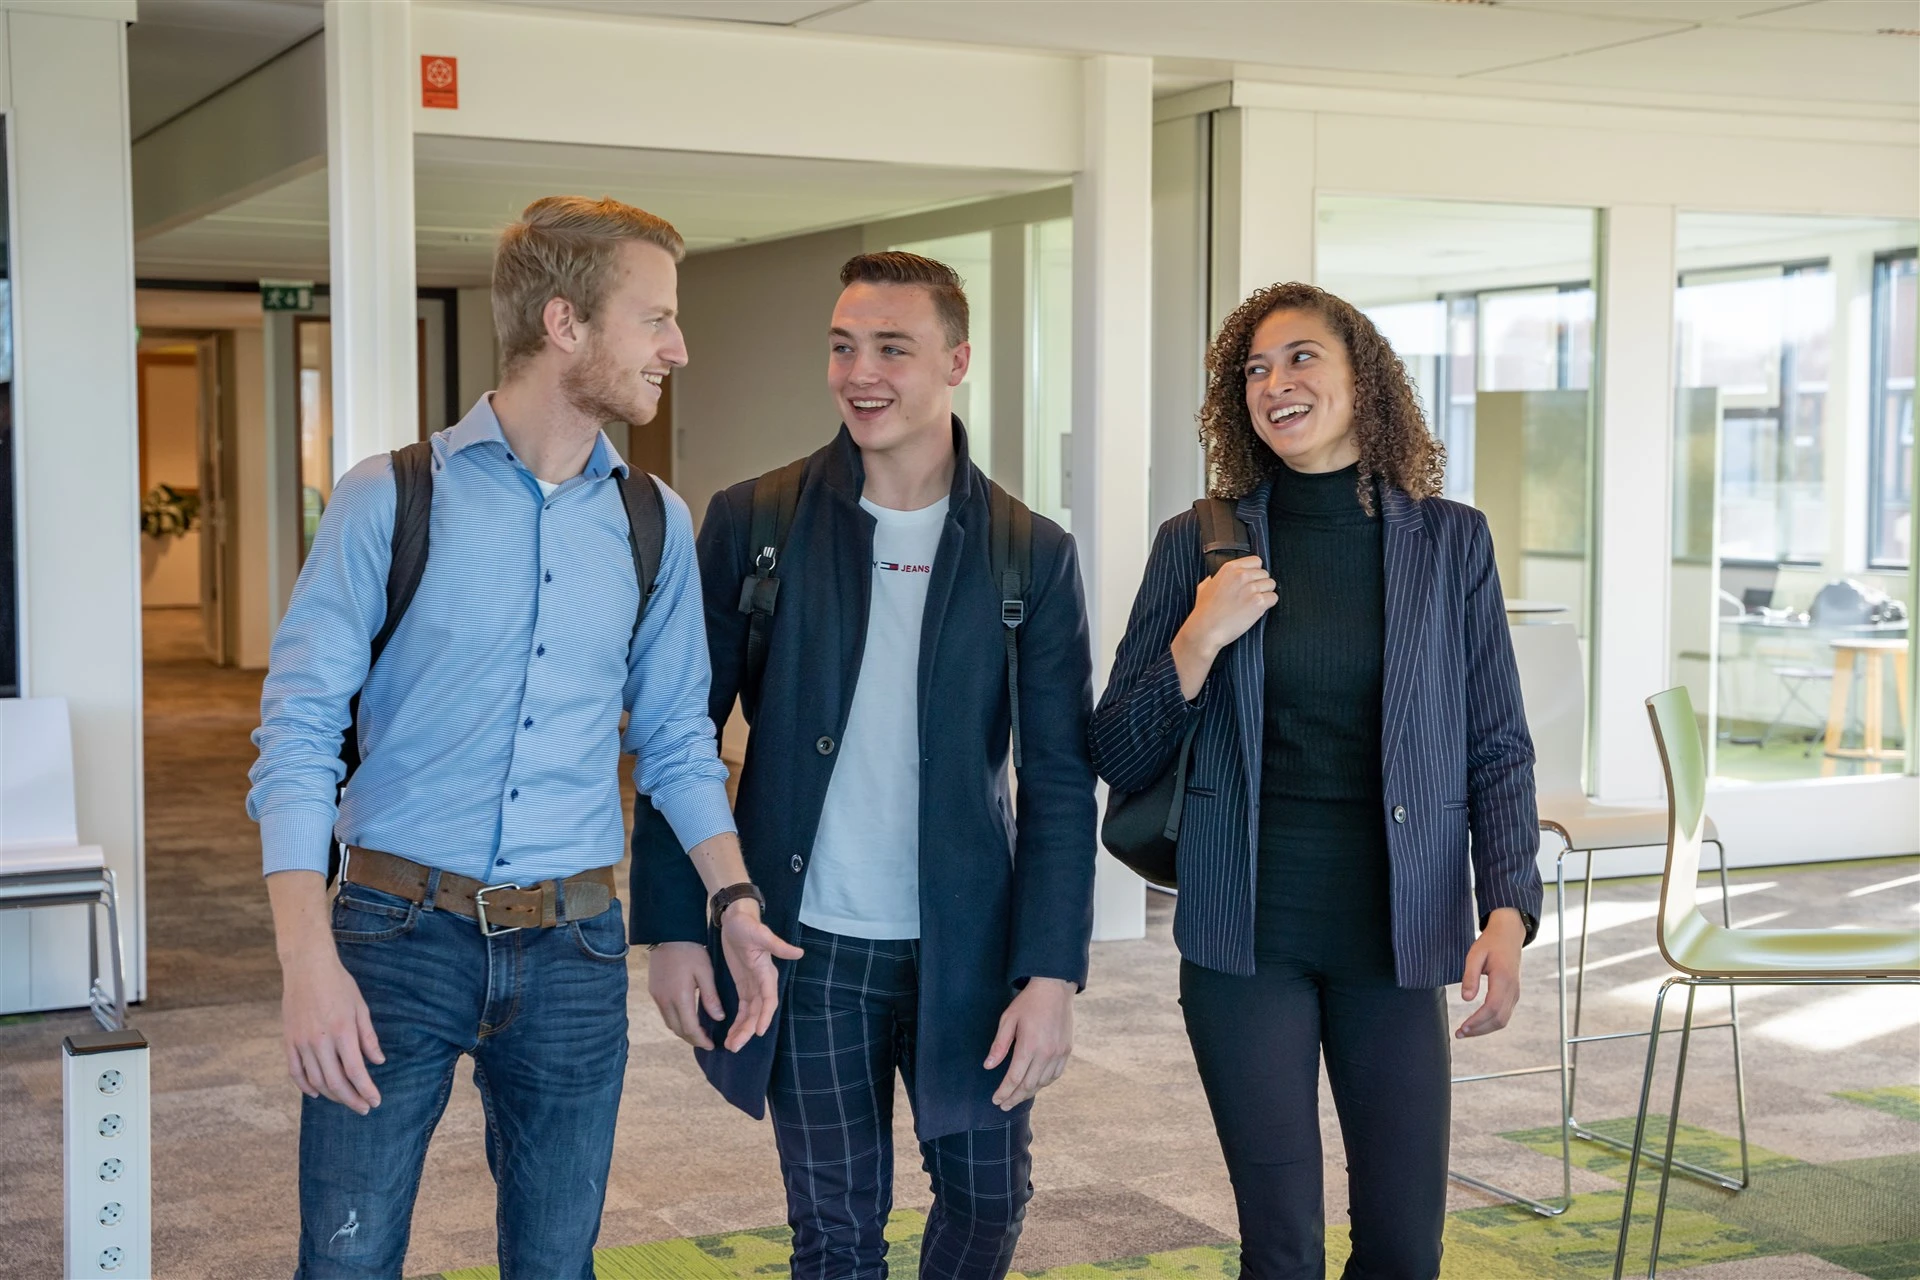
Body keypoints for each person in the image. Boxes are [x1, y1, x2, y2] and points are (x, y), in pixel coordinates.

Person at [248, 196, 799, 1280]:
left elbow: (681, 737)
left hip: (575, 945)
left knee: (557, 1263)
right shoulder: (388, 500)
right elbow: (299, 736)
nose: (677, 348)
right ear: (564, 324)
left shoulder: (653, 524)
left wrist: (731, 898)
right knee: (347, 1261)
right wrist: (304, 954)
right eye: (656, 320)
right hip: (392, 937)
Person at [632, 251, 1098, 1280]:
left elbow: (1060, 783)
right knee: (835, 1233)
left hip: (967, 948)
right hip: (810, 948)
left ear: (957, 360)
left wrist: (1053, 970)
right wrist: (674, 922)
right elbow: (680, 735)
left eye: (893, 346)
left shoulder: (1032, 551)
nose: (860, 372)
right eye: (843, 347)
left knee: (989, 1200)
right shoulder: (756, 522)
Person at [1090, 282, 1541, 1279]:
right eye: (1254, 368)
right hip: (1246, 936)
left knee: (1402, 1244)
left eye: (1301, 359)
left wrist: (1507, 909)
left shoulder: (1449, 542)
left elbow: (1496, 744)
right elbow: (1117, 747)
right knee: (1282, 1247)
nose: (1275, 383)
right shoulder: (1196, 541)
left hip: (1396, 928)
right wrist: (1198, 638)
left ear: (1362, 378)